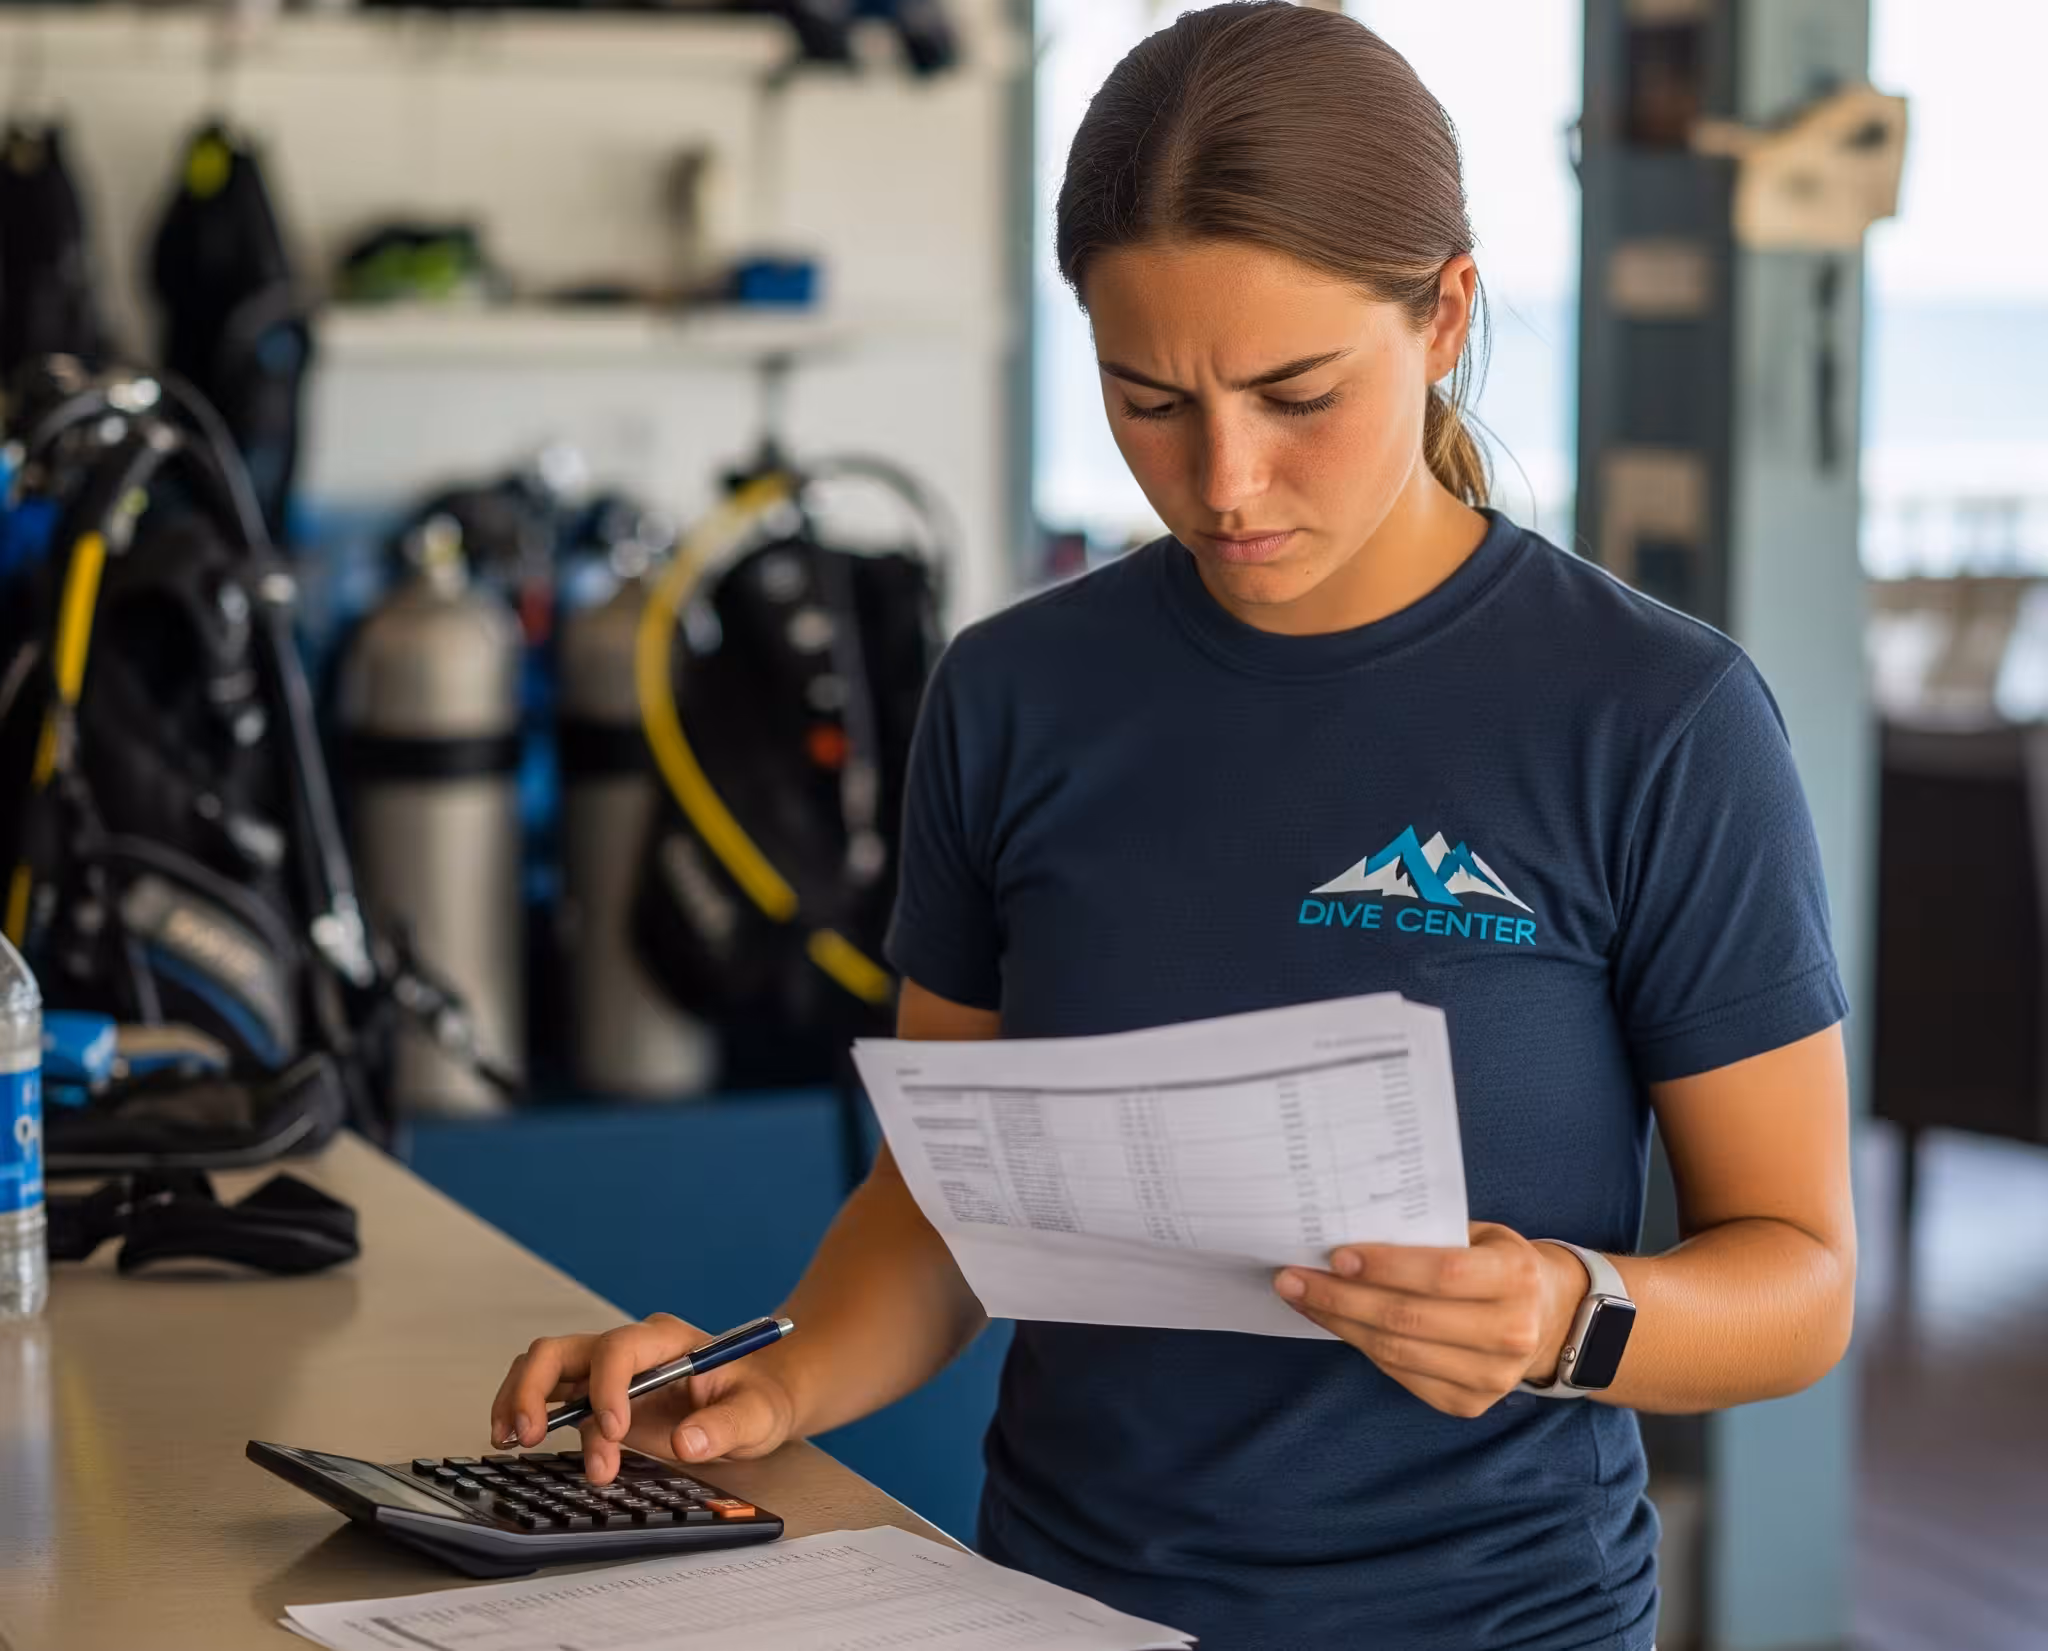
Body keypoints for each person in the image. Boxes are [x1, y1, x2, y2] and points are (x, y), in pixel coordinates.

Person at [491, 6, 1856, 1646]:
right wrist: (758, 1383)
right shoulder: (1013, 696)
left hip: (1498, 1618)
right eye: (1149, 399)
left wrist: (1572, 1313)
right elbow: (939, 1212)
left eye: (1296, 394)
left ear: (1444, 316)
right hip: (1065, 1606)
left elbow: (1800, 1276)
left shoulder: (1655, 715)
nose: (1222, 481)